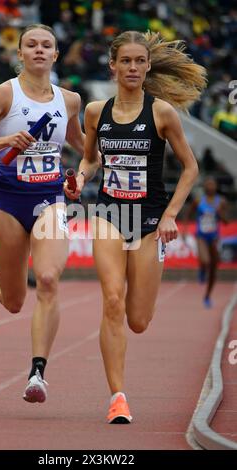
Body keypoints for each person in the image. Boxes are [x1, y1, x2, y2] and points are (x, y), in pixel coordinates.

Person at [65, 31, 206, 423]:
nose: (132, 68)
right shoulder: (96, 112)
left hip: (148, 222)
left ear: (147, 66)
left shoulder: (161, 112)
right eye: (124, 61)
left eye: (138, 61)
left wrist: (170, 216)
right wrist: (79, 177)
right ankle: (118, 397)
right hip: (109, 214)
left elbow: (191, 168)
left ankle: (123, 371)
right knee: (111, 299)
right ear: (112, 65)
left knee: (138, 320)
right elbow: (91, 160)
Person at [0, 24, 85, 404]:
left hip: (50, 199)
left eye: (46, 45)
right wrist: (5, 140)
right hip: (7, 200)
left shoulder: (69, 101)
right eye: (30, 45)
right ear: (19, 54)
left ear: (55, 54)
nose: (38, 50)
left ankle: (37, 373)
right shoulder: (5, 93)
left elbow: (84, 148)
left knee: (48, 278)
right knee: (15, 302)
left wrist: (80, 177)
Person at [185, 176, 228, 308]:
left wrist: (220, 214)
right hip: (201, 236)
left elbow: (226, 222)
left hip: (214, 238)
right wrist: (184, 230)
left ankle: (207, 296)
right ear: (204, 187)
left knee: (214, 269)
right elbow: (188, 214)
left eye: (212, 184)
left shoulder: (221, 201)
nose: (210, 186)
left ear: (216, 187)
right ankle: (202, 270)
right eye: (208, 184)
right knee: (205, 261)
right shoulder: (198, 201)